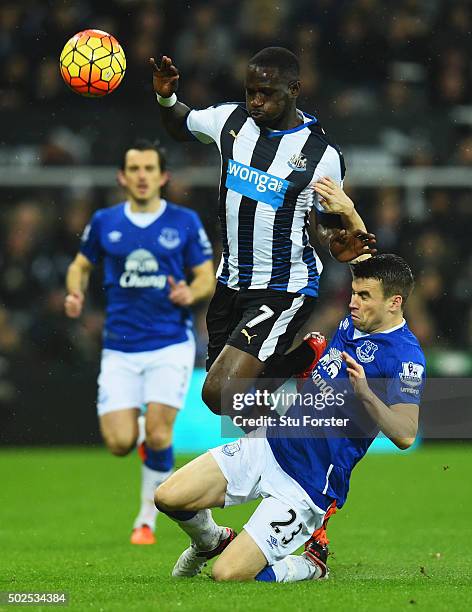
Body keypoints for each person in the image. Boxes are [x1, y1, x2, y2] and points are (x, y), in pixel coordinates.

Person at [154, 252, 426, 582]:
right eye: (354, 292)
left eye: (364, 296)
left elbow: (406, 433)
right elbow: (362, 250)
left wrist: (366, 394)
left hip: (308, 484)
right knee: (167, 497)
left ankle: (312, 565)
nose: (353, 302)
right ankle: (211, 540)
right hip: (271, 443)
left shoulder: (405, 357)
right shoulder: (354, 323)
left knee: (228, 575)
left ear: (394, 302)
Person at [149, 46, 376, 415]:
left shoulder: (322, 156)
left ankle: (305, 356)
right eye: (250, 91)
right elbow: (180, 124)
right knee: (236, 405)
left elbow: (325, 227)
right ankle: (276, 464)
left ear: (294, 89)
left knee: (219, 392)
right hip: (231, 283)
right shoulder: (229, 121)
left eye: (266, 93)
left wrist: (339, 244)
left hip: (283, 287)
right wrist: (165, 95)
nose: (256, 101)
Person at [64, 140, 214, 545]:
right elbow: (80, 266)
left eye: (150, 168)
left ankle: (146, 517)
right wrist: (76, 292)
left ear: (163, 176)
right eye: (134, 169)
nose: (142, 175)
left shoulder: (183, 221)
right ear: (122, 177)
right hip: (120, 347)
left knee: (163, 436)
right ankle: (143, 427)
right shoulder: (105, 221)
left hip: (169, 343)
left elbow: (206, 275)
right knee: (119, 443)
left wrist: (190, 292)